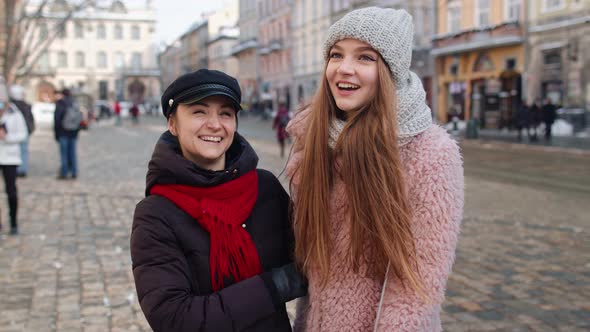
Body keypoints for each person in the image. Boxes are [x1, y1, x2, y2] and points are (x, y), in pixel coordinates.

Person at [285, 8, 464, 331]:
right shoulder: (312, 142)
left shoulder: (430, 154)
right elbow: (311, 271)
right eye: (336, 55)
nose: (344, 69)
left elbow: (415, 289)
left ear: (389, 71)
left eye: (365, 58)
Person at [130, 69, 307, 332]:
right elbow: (175, 319)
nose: (215, 124)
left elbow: (314, 254)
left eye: (225, 113)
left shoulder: (264, 187)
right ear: (172, 123)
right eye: (199, 111)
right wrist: (277, 284)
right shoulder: (155, 213)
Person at [0, 77, 28, 235]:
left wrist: (6, 137)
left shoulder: (15, 113)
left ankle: (13, 222)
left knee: (11, 191)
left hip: (10, 157)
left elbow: (23, 134)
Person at [9, 84, 35, 177]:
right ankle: (22, 169)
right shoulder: (25, 106)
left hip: (15, 132)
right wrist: (30, 130)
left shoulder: (10, 106)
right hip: (24, 132)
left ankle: (16, 169)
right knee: (23, 151)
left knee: (15, 151)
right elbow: (31, 119)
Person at [54, 88, 80, 179]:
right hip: (73, 132)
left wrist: (56, 133)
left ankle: (64, 172)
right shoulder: (75, 103)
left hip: (63, 132)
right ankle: (74, 172)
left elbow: (57, 119)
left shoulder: (61, 103)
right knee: (72, 153)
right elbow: (79, 119)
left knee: (64, 154)